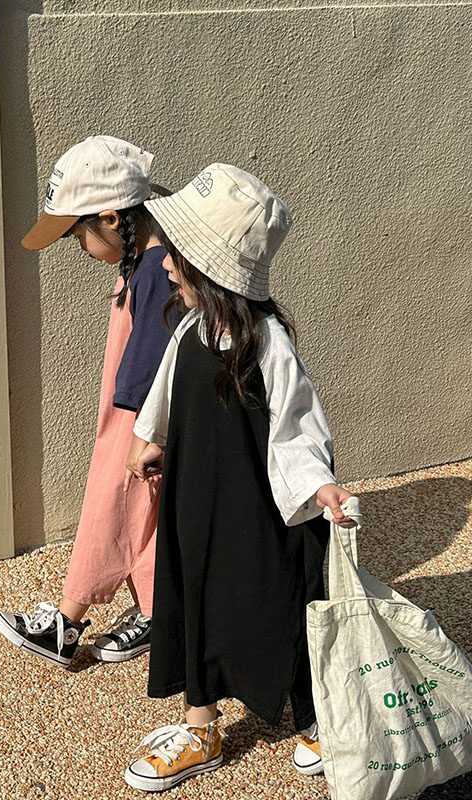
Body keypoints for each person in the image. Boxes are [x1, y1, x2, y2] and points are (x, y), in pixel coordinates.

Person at [121, 163, 357, 792]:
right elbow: (165, 395)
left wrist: (319, 486)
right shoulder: (191, 328)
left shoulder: (266, 342)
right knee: (194, 599)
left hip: (261, 512)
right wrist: (150, 440)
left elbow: (298, 422)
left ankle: (316, 716)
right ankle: (201, 726)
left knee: (280, 602)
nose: (167, 266)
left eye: (177, 256)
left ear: (211, 270)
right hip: (196, 502)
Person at [0, 136, 180, 666]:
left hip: (140, 418)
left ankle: (66, 623)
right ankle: (159, 611)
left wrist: (144, 434)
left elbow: (151, 361)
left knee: (114, 501)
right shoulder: (149, 258)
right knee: (151, 515)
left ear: (112, 218)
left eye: (79, 234)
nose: (79, 247)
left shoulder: (155, 271)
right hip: (139, 413)